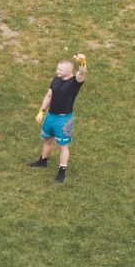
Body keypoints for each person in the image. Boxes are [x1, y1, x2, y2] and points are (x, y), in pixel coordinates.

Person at [28, 53, 86, 183]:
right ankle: (43, 161)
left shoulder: (74, 82)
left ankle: (62, 171)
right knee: (47, 140)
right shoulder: (56, 79)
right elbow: (49, 96)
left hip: (63, 119)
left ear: (69, 70)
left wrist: (82, 62)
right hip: (51, 116)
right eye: (57, 68)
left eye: (60, 69)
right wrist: (41, 111)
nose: (57, 71)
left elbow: (82, 73)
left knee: (63, 146)